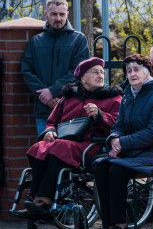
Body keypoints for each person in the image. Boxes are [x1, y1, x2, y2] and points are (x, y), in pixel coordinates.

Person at [89, 55, 153, 229]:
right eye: (129, 71)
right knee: (100, 166)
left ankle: (121, 226)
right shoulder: (128, 94)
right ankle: (108, 224)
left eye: (136, 70)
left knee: (116, 170)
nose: (132, 74)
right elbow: (118, 124)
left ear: (147, 73)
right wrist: (114, 139)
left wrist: (124, 143)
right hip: (133, 151)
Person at [21, 58, 121, 215]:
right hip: (63, 143)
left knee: (59, 147)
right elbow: (52, 121)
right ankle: (35, 197)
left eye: (102, 72)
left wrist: (100, 115)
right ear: (82, 78)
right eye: (95, 72)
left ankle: (45, 198)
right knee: (38, 147)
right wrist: (49, 131)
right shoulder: (68, 98)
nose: (100, 75)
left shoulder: (113, 98)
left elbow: (118, 124)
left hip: (91, 145)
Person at [21, 0, 91, 135]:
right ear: (46, 14)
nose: (58, 18)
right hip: (43, 111)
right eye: (54, 14)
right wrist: (45, 95)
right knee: (44, 152)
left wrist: (53, 92)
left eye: (61, 14)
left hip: (70, 108)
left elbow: (78, 72)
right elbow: (27, 71)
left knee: (67, 153)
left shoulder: (78, 40)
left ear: (67, 15)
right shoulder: (36, 41)